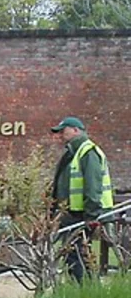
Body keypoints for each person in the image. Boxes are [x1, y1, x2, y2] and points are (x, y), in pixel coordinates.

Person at [49, 116, 115, 282]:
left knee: (76, 254)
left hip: (83, 214)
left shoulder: (87, 152)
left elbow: (93, 186)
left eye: (63, 131)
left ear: (76, 130)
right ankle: (86, 288)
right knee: (75, 254)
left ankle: (83, 289)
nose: (60, 135)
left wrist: (91, 215)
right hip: (72, 214)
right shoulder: (72, 153)